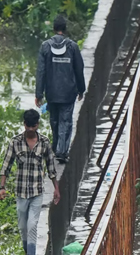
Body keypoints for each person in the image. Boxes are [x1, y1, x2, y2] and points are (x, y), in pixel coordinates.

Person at [0, 110, 61, 255]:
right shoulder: (16, 142)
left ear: (37, 125)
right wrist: (2, 187)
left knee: (32, 225)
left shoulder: (44, 143)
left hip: (36, 192)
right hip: (20, 192)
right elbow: (6, 165)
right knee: (23, 227)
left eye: (34, 126)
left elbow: (51, 167)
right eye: (28, 126)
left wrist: (56, 188)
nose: (31, 129)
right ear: (24, 125)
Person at [35, 15, 86, 163]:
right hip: (68, 92)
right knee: (65, 121)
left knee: (55, 121)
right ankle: (62, 152)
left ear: (53, 28)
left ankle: (57, 148)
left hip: (51, 92)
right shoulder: (73, 47)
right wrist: (81, 89)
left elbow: (41, 72)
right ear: (65, 29)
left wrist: (39, 93)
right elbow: (79, 69)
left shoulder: (45, 46)